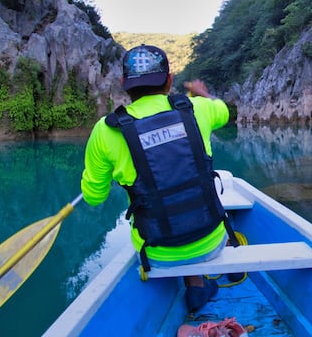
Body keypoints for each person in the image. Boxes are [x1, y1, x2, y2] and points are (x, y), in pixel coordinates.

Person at [80, 44, 230, 312]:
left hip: (157, 252)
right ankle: (198, 283)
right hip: (211, 240)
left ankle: (194, 283)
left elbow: (94, 197)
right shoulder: (197, 109)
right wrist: (203, 95)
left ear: (124, 84)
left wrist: (105, 173)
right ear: (169, 80)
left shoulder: (106, 131)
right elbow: (226, 112)